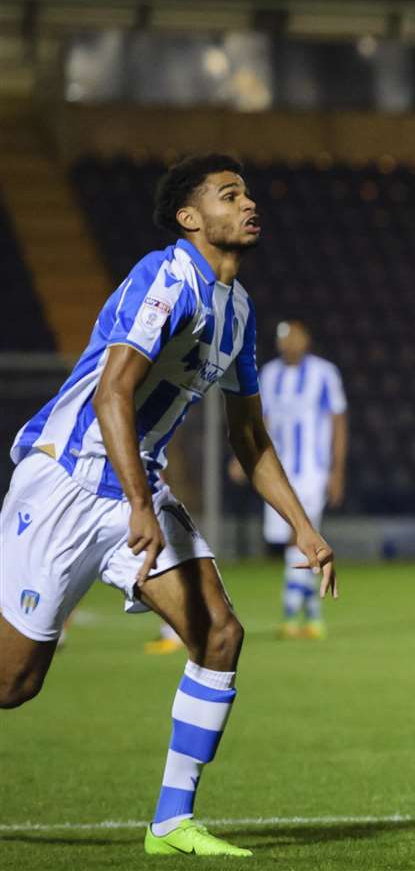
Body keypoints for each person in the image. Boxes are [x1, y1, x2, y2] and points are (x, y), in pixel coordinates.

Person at [0, 153, 338, 857]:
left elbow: (248, 434)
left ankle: (171, 822)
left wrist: (303, 527)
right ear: (191, 218)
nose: (248, 203)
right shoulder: (166, 275)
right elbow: (110, 392)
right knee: (13, 684)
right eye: (229, 194)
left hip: (133, 489)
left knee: (219, 632)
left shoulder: (239, 311)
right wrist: (138, 504)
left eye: (247, 193)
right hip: (68, 480)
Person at [229, 319, 347, 640]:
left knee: (300, 538)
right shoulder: (268, 375)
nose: (287, 343)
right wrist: (245, 458)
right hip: (278, 475)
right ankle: (314, 617)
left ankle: (290, 614)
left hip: (312, 471)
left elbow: (338, 423)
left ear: (306, 339)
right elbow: (259, 420)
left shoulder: (325, 374)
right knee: (291, 542)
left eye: (293, 337)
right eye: (282, 338)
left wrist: (337, 471)